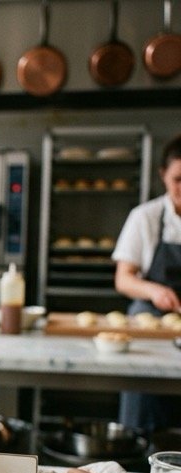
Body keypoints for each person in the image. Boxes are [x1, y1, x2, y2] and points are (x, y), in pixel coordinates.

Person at [113, 133, 181, 435]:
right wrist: (154, 290)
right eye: (178, 179)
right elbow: (123, 278)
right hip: (149, 326)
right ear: (163, 175)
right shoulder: (146, 217)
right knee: (145, 419)